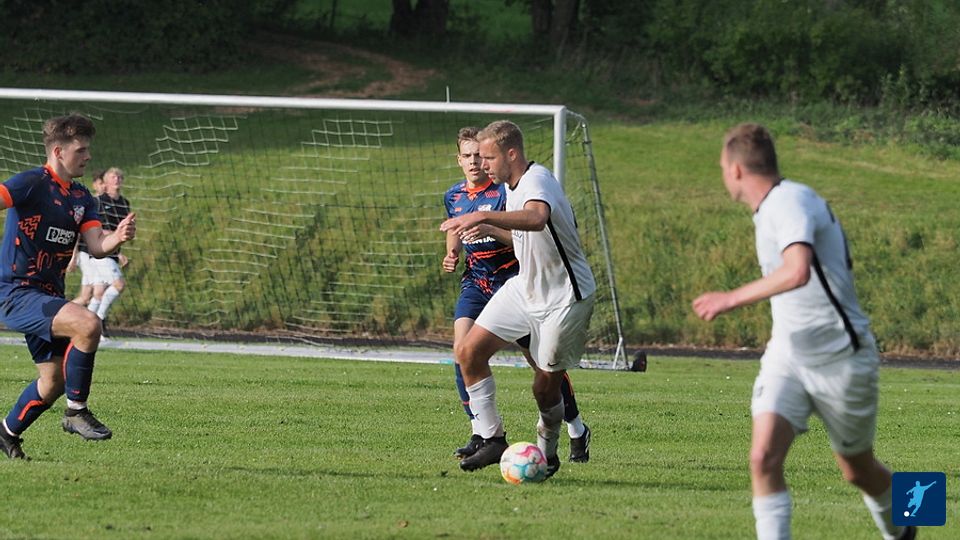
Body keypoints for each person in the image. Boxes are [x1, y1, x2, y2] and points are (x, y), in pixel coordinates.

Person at [691, 123, 914, 540]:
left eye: (722, 168)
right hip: (788, 356)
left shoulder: (788, 200)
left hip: (841, 358)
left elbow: (797, 271)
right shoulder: (770, 209)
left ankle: (907, 525)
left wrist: (729, 298)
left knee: (858, 469)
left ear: (736, 170)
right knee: (762, 458)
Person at [440, 120, 596, 477]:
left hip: (564, 299)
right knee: (468, 351)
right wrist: (482, 228)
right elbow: (522, 233)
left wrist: (484, 214)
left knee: (544, 389)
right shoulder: (509, 187)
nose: (483, 165)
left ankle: (548, 451)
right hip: (524, 288)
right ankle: (491, 437)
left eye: (489, 158)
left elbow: (537, 218)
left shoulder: (537, 180)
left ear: (511, 154)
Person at [0, 113, 137, 460]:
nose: (88, 156)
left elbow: (96, 245)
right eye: (81, 150)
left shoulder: (81, 198)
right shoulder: (30, 183)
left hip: (48, 297)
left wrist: (117, 238)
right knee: (88, 323)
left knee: (53, 382)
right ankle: (76, 412)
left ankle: (6, 433)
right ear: (59, 151)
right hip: (16, 293)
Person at [87, 166, 132, 332]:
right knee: (119, 285)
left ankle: (84, 325)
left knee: (98, 293)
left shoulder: (124, 203)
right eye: (113, 177)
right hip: (99, 251)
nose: (117, 179)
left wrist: (119, 251)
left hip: (113, 251)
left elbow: (122, 231)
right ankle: (99, 320)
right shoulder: (98, 201)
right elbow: (96, 229)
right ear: (105, 182)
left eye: (119, 177)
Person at [67, 170, 106, 307]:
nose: (104, 186)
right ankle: (59, 314)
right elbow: (77, 231)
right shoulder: (90, 202)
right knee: (96, 292)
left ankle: (63, 315)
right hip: (86, 254)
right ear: (95, 184)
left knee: (86, 296)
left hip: (94, 255)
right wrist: (74, 255)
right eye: (101, 183)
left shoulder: (105, 203)